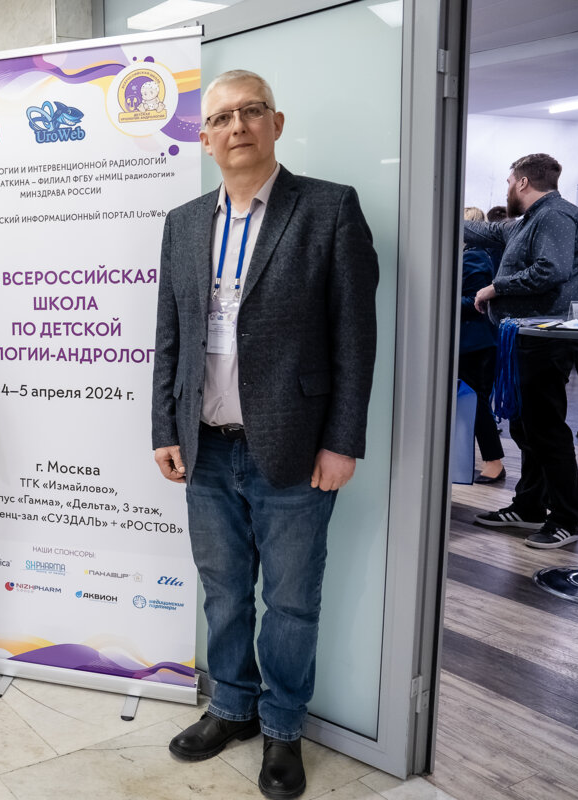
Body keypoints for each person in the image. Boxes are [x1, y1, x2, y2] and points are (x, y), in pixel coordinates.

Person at [150, 70, 378, 800]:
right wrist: (164, 426)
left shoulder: (329, 209)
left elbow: (355, 338)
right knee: (223, 593)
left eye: (252, 111)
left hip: (295, 449)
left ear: (276, 123)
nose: (237, 126)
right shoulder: (185, 222)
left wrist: (342, 441)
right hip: (206, 446)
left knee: (291, 601)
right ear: (204, 137)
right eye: (222, 117)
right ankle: (232, 707)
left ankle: (282, 727)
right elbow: (170, 335)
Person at [467, 153, 578, 548]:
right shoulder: (529, 221)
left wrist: (495, 288)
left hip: (544, 340)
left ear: (522, 182)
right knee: (525, 427)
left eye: (508, 181)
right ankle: (529, 507)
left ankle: (567, 518)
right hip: (523, 338)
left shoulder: (555, 216)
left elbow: (551, 269)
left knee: (546, 430)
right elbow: (487, 231)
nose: (506, 189)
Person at [459, 207, 504, 483]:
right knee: (474, 403)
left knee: (476, 403)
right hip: (473, 342)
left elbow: (476, 302)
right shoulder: (473, 255)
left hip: (476, 344)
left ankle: (493, 462)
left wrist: (441, 296)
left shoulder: (474, 255)